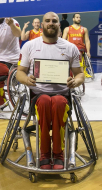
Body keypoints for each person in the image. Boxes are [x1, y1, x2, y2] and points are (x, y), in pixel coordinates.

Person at [16, 12, 84, 170]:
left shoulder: (70, 48)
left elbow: (80, 74)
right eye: (47, 21)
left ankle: (58, 153)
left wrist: (76, 81)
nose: (51, 23)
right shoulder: (30, 46)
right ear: (42, 24)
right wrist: (26, 79)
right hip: (38, 95)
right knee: (46, 101)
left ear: (59, 25)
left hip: (62, 95)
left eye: (54, 21)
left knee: (58, 102)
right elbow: (20, 72)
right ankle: (45, 153)